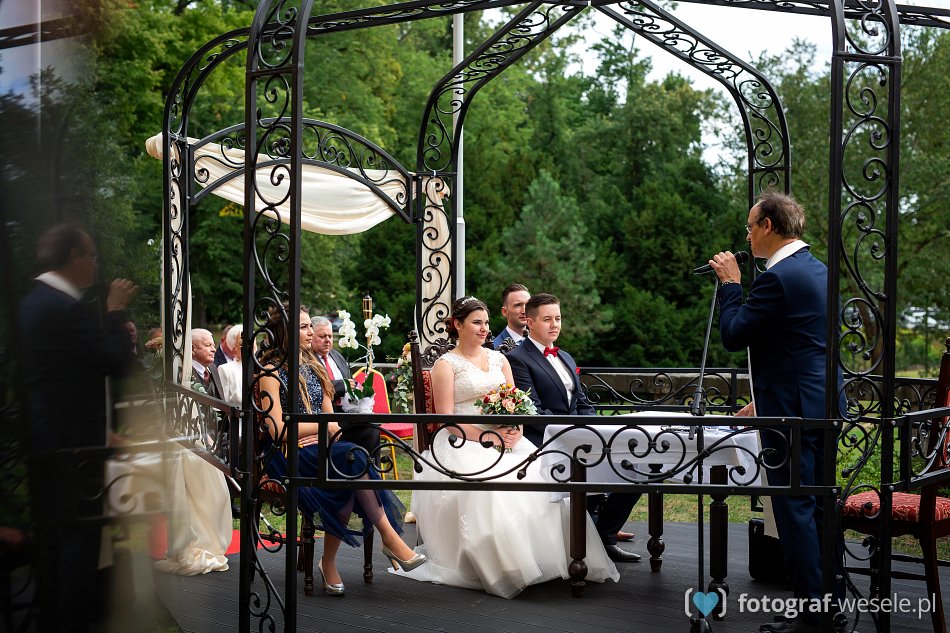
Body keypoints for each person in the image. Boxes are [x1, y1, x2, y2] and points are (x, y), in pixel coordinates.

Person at [394, 296, 619, 598]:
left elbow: (518, 404)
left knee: (544, 480)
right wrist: (485, 438)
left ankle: (555, 559)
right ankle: (507, 567)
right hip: (462, 440)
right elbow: (446, 420)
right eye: (476, 323)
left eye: (486, 323)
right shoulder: (445, 365)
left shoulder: (500, 359)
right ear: (457, 325)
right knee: (492, 488)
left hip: (507, 439)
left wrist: (517, 430)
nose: (484, 329)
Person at [707, 190, 843, 633]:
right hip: (819, 403)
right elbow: (801, 347)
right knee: (820, 507)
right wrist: (762, 399)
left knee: (795, 510)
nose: (747, 236)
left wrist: (731, 286)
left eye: (750, 226)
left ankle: (812, 616)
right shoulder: (818, 270)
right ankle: (830, 605)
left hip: (792, 416)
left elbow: (734, 335)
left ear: (768, 226)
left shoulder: (777, 278)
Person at [18, 223, 137, 632]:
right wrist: (116, 311)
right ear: (74, 256)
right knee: (77, 545)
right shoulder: (64, 308)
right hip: (72, 452)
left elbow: (63, 381)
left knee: (60, 542)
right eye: (92, 255)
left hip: (52, 440)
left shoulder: (34, 302)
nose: (95, 263)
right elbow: (114, 362)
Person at [257, 305, 424, 595]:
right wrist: (321, 429)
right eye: (303, 327)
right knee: (351, 462)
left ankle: (333, 561)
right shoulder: (270, 372)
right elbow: (278, 430)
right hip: (287, 454)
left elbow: (330, 421)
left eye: (310, 326)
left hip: (321, 447)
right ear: (283, 331)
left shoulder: (314, 368)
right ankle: (384, 540)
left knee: (350, 460)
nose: (310, 332)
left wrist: (326, 430)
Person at [506, 293, 642, 563]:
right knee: (588, 472)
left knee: (634, 471)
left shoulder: (565, 356)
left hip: (581, 438)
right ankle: (584, 537)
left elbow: (581, 402)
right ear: (530, 322)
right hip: (546, 441)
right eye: (547, 319)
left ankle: (604, 536)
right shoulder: (517, 358)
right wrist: (573, 434)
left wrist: (594, 429)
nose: (554, 324)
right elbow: (532, 410)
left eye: (558, 318)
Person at [310, 315, 353, 412]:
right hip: (322, 414)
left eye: (330, 336)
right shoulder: (306, 359)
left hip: (347, 412)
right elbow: (313, 388)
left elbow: (350, 381)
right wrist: (341, 386)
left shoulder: (337, 355)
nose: (327, 340)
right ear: (311, 336)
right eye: (322, 336)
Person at [491, 283, 530, 350]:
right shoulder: (494, 348)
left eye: (528, 305)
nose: (524, 311)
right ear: (504, 312)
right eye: (518, 305)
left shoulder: (540, 342)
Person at [191, 328, 223, 398]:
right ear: (192, 349)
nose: (214, 350)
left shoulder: (213, 367)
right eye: (208, 345)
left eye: (213, 345)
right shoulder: (184, 372)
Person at [217, 324, 244, 404]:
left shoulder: (263, 367)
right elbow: (223, 403)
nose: (251, 346)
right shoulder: (225, 370)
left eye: (253, 341)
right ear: (234, 348)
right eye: (242, 343)